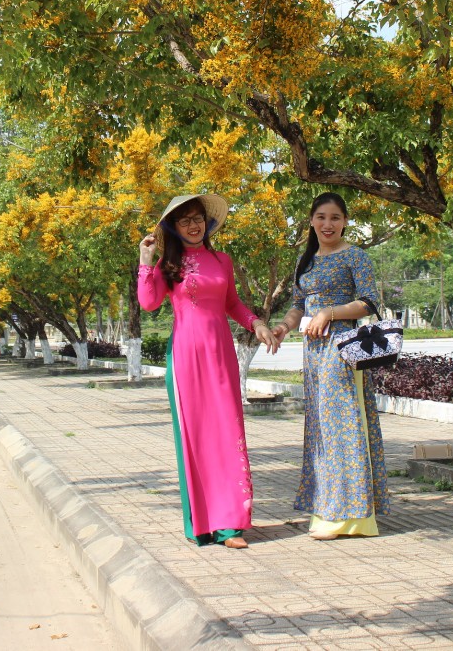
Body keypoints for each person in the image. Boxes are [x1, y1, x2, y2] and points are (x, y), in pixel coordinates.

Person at [138, 194, 277, 549]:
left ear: (207, 222)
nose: (193, 225)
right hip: (186, 357)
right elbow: (149, 302)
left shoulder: (222, 260)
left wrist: (256, 323)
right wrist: (145, 259)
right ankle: (203, 524)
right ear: (174, 226)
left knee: (228, 434)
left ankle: (230, 524)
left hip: (220, 356)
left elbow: (231, 303)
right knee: (196, 438)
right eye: (185, 220)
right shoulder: (170, 266)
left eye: (198, 218)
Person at [270, 192, 390, 540]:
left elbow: (369, 302)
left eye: (335, 217)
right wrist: (283, 328)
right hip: (313, 352)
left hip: (342, 349)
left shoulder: (355, 257)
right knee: (321, 428)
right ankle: (327, 508)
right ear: (311, 220)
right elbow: (297, 305)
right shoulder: (305, 260)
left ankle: (349, 516)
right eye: (321, 217)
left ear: (345, 221)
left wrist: (330, 313)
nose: (328, 224)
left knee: (344, 425)